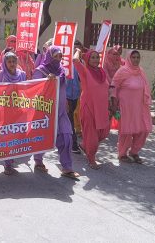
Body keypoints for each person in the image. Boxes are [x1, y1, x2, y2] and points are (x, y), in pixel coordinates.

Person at [32, 46, 81, 179]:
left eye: (60, 57)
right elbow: (34, 90)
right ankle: (38, 160)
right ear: (49, 56)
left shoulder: (61, 72)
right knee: (42, 137)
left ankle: (67, 167)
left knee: (66, 137)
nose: (58, 59)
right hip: (45, 112)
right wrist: (46, 81)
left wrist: (65, 103)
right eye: (55, 56)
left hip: (60, 112)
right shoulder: (40, 71)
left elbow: (63, 89)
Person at [110, 50, 152, 164]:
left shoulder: (141, 71)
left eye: (138, 57)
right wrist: (114, 104)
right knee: (127, 131)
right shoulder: (122, 71)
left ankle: (134, 152)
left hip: (140, 106)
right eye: (133, 57)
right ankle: (122, 153)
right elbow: (114, 87)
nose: (136, 59)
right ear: (129, 58)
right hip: (126, 106)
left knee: (144, 129)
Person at [73, 49, 110, 169]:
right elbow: (75, 60)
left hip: (102, 109)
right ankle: (91, 159)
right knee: (92, 136)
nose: (95, 60)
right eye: (92, 57)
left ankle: (85, 145)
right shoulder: (85, 71)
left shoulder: (102, 72)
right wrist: (78, 51)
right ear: (87, 59)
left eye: (97, 57)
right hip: (89, 107)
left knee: (103, 133)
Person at [0, 52, 27, 175]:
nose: (12, 64)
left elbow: (28, 89)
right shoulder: (2, 74)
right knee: (8, 136)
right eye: (9, 61)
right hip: (6, 111)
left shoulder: (22, 74)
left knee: (17, 135)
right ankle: (7, 164)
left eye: (14, 61)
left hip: (19, 109)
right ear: (5, 63)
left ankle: (11, 159)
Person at [67, 41, 83, 154]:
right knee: (70, 119)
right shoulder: (65, 62)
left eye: (78, 49)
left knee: (70, 118)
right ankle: (73, 144)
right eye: (75, 49)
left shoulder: (81, 63)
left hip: (76, 95)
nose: (77, 51)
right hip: (65, 95)